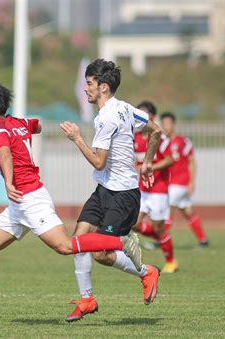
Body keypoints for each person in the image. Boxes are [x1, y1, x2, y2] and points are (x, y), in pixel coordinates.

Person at [0, 80, 142, 323]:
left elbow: (5, 154)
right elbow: (37, 126)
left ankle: (119, 242)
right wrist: (1, 135)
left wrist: (8, 182)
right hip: (18, 205)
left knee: (65, 246)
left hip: (30, 199)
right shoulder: (17, 124)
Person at [60, 59, 161, 322]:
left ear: (103, 87)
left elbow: (98, 161)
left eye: (90, 83)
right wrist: (147, 162)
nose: (85, 88)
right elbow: (156, 130)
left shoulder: (106, 118)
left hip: (123, 196)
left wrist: (77, 138)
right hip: (105, 189)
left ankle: (146, 271)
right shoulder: (125, 108)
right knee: (80, 237)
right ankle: (87, 300)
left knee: (101, 253)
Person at [131, 101, 178, 273]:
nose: (141, 118)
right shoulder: (133, 138)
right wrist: (136, 167)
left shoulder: (160, 138)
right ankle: (161, 238)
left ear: (152, 116)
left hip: (158, 190)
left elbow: (170, 159)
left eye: (145, 114)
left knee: (158, 228)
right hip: (142, 189)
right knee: (133, 223)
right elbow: (135, 161)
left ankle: (171, 260)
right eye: (138, 114)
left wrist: (151, 167)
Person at [161, 112, 209, 248]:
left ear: (173, 125)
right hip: (170, 183)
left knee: (167, 208)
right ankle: (203, 240)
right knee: (188, 211)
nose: (166, 127)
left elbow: (192, 161)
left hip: (180, 182)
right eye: (163, 124)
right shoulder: (163, 142)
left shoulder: (182, 141)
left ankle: (161, 239)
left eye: (168, 124)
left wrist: (192, 181)